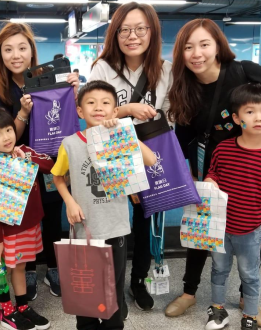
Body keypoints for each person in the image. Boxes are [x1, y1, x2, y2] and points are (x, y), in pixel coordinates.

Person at [164, 18, 261, 326]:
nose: (197, 53)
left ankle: (245, 297)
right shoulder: (184, 87)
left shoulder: (243, 70)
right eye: (188, 47)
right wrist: (187, 176)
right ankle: (189, 291)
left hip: (255, 159)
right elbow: (183, 134)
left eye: (204, 44)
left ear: (218, 46)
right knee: (202, 227)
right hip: (212, 163)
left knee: (251, 224)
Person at [52, 80, 158, 329]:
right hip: (84, 230)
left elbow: (151, 160)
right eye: (90, 102)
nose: (98, 107)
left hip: (115, 229)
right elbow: (57, 177)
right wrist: (69, 202)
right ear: (80, 111)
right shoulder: (70, 143)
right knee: (85, 288)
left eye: (106, 103)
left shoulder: (119, 137)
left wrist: (124, 130)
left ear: (114, 110)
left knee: (113, 288)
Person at [89, 1, 173, 312]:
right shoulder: (103, 68)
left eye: (140, 29)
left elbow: (173, 115)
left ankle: (138, 281)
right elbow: (94, 113)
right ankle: (110, 285)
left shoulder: (166, 70)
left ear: (152, 32)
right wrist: (126, 110)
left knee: (146, 222)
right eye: (124, 29)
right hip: (113, 157)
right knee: (112, 222)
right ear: (115, 33)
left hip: (152, 154)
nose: (132, 35)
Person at [0, 22, 80, 300]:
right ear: (0, 54)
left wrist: (73, 94)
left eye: (22, 47)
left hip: (50, 161)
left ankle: (53, 267)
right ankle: (27, 269)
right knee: (24, 219)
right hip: (17, 165)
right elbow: (5, 139)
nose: (15, 55)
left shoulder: (51, 78)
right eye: (8, 49)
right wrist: (23, 112)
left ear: (32, 52)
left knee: (53, 214)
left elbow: (71, 118)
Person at [203, 83, 261, 330]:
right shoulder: (224, 148)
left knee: (250, 274)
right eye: (250, 112)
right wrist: (209, 179)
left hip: (250, 230)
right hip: (218, 226)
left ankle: (249, 315)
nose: (258, 117)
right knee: (218, 269)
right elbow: (213, 171)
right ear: (237, 118)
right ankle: (217, 310)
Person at [0, 107, 54, 330]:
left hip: (28, 225)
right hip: (6, 231)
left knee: (20, 266)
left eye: (8, 130)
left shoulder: (25, 151)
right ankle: (6, 311)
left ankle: (22, 306)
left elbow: (51, 165)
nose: (6, 137)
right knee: (2, 269)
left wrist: (28, 157)